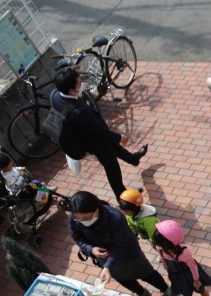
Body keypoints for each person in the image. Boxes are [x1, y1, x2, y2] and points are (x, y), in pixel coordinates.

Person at [51, 68, 148, 199]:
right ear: (71, 91)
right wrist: (120, 137)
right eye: (79, 84)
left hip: (88, 135)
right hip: (95, 142)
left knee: (114, 148)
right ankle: (122, 197)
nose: (82, 85)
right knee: (112, 167)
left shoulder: (55, 95)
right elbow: (100, 132)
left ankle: (133, 159)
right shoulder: (79, 112)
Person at [68, 191, 171, 296]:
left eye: (86, 217)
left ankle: (165, 289)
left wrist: (108, 266)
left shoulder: (114, 217)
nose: (83, 221)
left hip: (129, 254)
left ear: (96, 209)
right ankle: (142, 293)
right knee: (123, 279)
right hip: (105, 259)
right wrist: (91, 249)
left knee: (146, 274)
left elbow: (121, 245)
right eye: (79, 218)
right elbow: (77, 238)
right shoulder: (74, 218)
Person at [153, 220, 211, 296]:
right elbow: (163, 259)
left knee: (201, 289)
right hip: (177, 275)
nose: (156, 245)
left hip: (190, 274)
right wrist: (167, 269)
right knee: (186, 294)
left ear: (168, 244)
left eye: (159, 242)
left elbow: (193, 266)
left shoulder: (184, 252)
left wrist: (196, 280)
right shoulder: (161, 248)